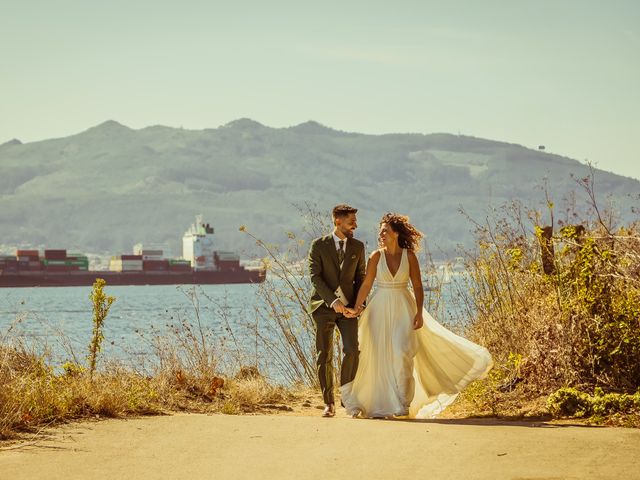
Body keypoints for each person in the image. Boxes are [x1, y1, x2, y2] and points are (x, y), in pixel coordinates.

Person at [340, 213, 493, 419]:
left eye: (385, 230)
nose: (381, 233)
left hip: (404, 306)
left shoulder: (409, 256)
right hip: (379, 308)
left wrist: (419, 312)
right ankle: (377, 401)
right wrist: (357, 307)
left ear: (395, 233)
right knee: (376, 354)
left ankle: (403, 404)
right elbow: (367, 284)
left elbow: (418, 285)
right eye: (380, 230)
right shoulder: (375, 256)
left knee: (402, 351)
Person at [307, 204, 366, 417]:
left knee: (352, 350)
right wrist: (333, 301)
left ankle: (346, 396)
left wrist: (359, 305)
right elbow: (315, 277)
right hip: (323, 308)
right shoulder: (318, 245)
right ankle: (328, 403)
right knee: (325, 354)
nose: (355, 226)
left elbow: (361, 278)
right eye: (352, 221)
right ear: (337, 221)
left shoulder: (358, 247)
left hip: (350, 309)